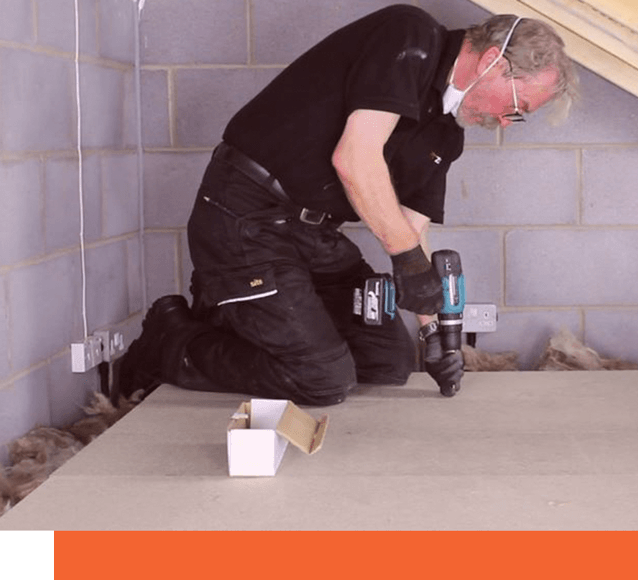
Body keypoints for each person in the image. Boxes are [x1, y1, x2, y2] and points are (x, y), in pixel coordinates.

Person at [114, 5, 579, 406]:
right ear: (494, 62)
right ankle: (169, 342)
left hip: (312, 235)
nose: (505, 123)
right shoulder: (409, 37)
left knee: (389, 363)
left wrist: (434, 333)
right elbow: (355, 158)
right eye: (517, 108)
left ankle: (247, 321)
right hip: (245, 217)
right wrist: (409, 265)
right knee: (323, 379)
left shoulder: (445, 133)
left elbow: (411, 229)